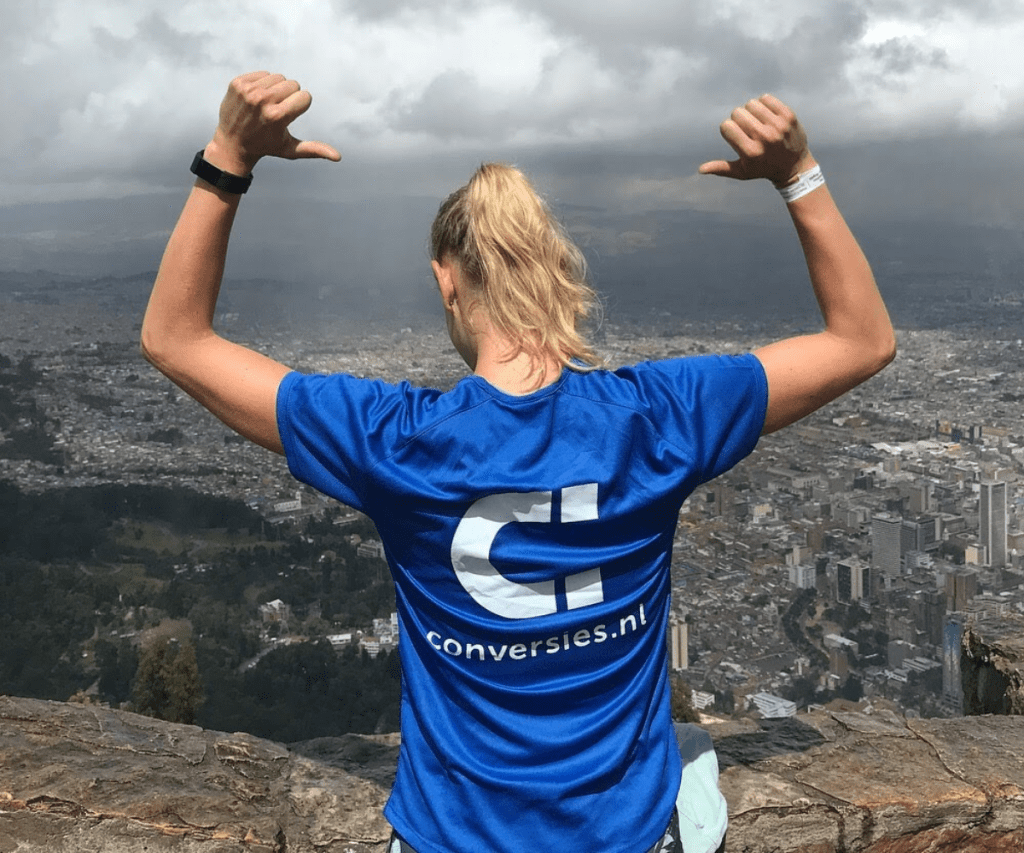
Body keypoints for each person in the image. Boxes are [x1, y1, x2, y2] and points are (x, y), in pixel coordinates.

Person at [141, 72, 895, 853]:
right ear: (558, 273)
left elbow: (176, 338)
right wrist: (797, 171)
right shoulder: (660, 417)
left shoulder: (395, 439)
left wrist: (228, 156)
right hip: (630, 835)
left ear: (445, 281)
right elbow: (862, 340)